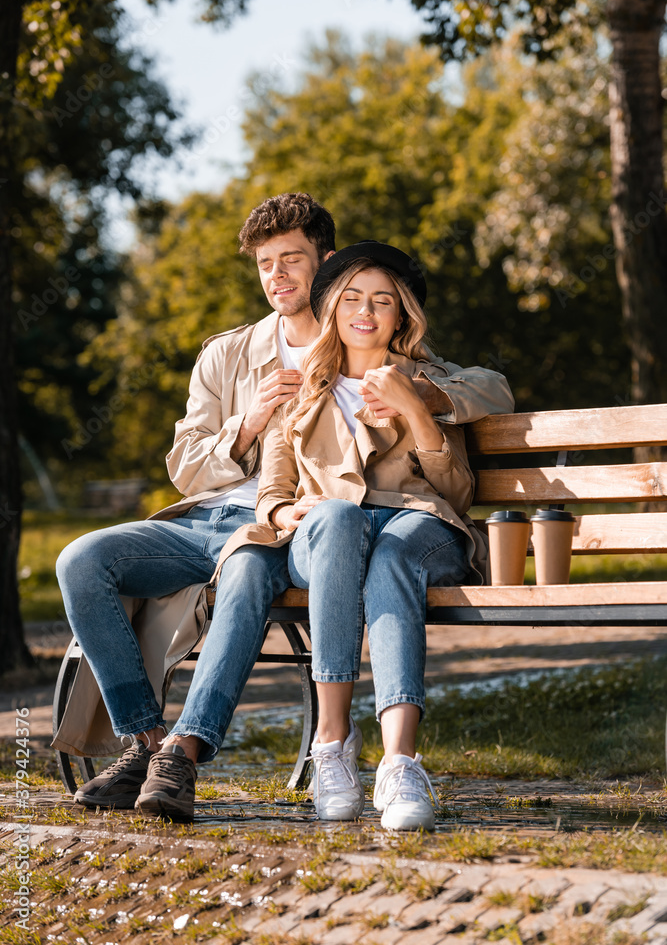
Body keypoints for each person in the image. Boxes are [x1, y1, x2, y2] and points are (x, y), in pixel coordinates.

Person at [54, 195, 513, 823]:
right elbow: (184, 465)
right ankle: (147, 747)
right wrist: (251, 422)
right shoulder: (229, 355)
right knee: (82, 560)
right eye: (266, 264)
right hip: (223, 520)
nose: (278, 276)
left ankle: (196, 753)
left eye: (292, 260)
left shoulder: (378, 344)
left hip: (300, 531)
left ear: (326, 266)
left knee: (255, 563)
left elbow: (485, 389)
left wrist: (417, 399)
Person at [217, 242, 492, 831]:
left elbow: (457, 493)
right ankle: (332, 744)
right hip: (327, 535)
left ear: (401, 316)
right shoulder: (301, 387)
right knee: (338, 517)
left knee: (393, 556)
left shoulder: (424, 380)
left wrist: (416, 410)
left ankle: (400, 763)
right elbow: (273, 485)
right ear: (333, 309)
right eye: (353, 299)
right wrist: (285, 515)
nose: (366, 312)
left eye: (383, 301)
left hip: (419, 525)